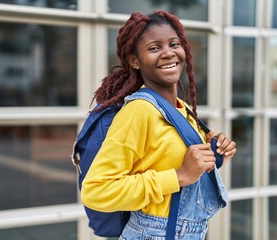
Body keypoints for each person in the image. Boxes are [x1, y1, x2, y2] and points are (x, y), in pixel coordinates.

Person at [80, 10, 237, 240]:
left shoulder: (180, 108)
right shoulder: (139, 111)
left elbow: (170, 162)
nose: (168, 53)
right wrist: (179, 175)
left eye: (174, 44)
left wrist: (215, 152)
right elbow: (95, 191)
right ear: (135, 60)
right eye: (154, 48)